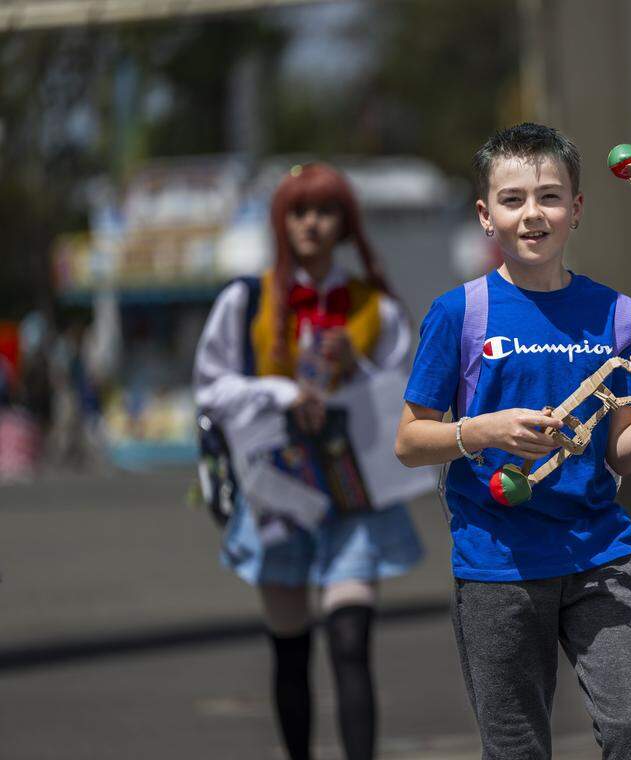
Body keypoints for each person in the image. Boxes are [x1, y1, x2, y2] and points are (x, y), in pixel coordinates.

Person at [395, 123, 631, 760]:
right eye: (513, 199)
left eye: (549, 197)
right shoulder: (458, 313)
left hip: (599, 556)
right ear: (485, 215)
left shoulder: (615, 314)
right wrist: (483, 431)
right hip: (498, 565)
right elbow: (410, 441)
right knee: (518, 749)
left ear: (576, 209)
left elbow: (620, 451)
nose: (532, 214)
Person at [194, 163, 423, 760]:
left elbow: (410, 393)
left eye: (325, 211)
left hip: (355, 494)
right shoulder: (245, 300)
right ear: (281, 221)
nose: (313, 224)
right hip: (276, 492)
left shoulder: (378, 307)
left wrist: (359, 366)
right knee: (290, 647)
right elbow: (210, 387)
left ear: (346, 223)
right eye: (299, 211)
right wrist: (281, 393)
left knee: (351, 639)